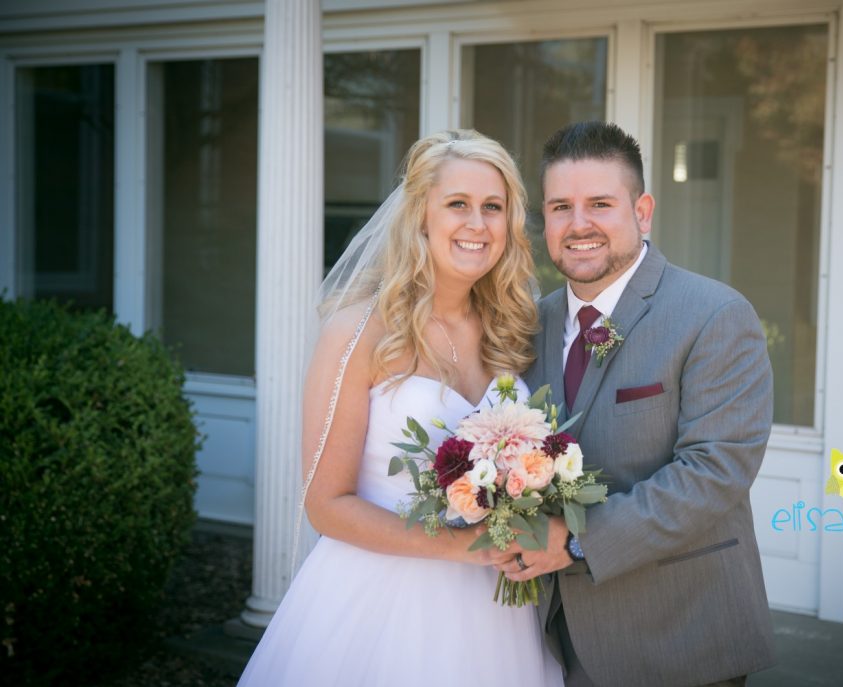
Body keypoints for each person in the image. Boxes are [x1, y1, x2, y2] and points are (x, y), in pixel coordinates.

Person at [237, 130, 562, 686]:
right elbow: (326, 505)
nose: (477, 224)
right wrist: (468, 545)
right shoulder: (357, 332)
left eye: (493, 207)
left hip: (496, 609)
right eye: (457, 204)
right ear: (420, 217)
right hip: (381, 604)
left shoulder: (513, 329)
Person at [490, 121, 777, 686]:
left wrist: (575, 541)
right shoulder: (530, 326)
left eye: (600, 204)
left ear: (642, 212)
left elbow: (714, 472)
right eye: (561, 207)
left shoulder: (714, 315)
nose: (579, 225)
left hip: (678, 637)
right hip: (553, 640)